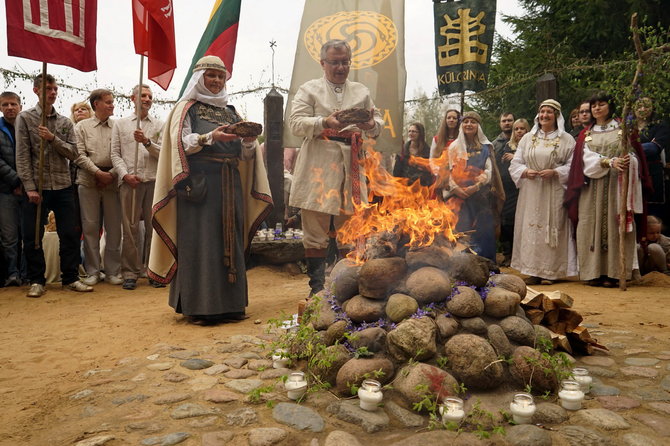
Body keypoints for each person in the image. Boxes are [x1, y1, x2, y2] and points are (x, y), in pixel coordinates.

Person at [149, 55, 272, 325]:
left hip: (230, 185)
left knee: (230, 239)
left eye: (221, 76)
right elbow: (180, 144)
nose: (216, 81)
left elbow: (246, 156)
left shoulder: (231, 111)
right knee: (202, 242)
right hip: (200, 187)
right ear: (199, 78)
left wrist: (249, 142)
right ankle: (200, 307)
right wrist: (209, 137)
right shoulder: (187, 108)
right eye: (211, 76)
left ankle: (232, 305)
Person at [288, 39, 383, 296]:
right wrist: (323, 122)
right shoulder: (309, 90)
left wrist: (369, 125)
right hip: (318, 162)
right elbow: (295, 123)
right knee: (315, 228)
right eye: (334, 62)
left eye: (344, 62)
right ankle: (317, 289)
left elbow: (377, 121)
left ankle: (346, 285)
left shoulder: (361, 91)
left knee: (349, 227)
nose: (340, 67)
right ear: (323, 63)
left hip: (351, 162)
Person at [15, 74, 92, 297]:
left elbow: (73, 153)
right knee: (32, 236)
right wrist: (29, 187)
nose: (53, 92)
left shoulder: (65, 122)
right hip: (37, 187)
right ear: (36, 90)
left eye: (55, 88)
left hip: (63, 185)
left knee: (69, 233)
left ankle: (70, 278)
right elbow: (22, 155)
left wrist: (52, 138)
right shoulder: (26, 118)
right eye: (48, 88)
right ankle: (37, 280)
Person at [565, 92, 652, 287]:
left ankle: (615, 273)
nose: (596, 108)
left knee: (617, 223)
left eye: (601, 104)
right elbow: (584, 159)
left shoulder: (623, 129)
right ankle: (593, 273)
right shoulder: (585, 134)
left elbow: (635, 155)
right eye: (593, 105)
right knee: (590, 224)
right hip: (592, 186)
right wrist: (608, 162)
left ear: (609, 106)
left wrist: (629, 162)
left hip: (617, 184)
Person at [509, 100, 577, 284]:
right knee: (531, 227)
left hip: (553, 189)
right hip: (531, 190)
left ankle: (551, 272)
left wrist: (556, 172)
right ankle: (532, 271)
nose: (545, 115)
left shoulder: (567, 139)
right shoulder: (527, 138)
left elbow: (573, 166)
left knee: (552, 227)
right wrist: (525, 171)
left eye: (549, 112)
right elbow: (515, 163)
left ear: (557, 115)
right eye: (542, 111)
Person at [111, 84, 164, 290]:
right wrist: (125, 175)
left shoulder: (160, 124)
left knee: (154, 228)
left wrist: (147, 142)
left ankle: (154, 270)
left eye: (150, 96)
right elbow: (115, 154)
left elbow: (163, 153)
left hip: (153, 181)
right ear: (132, 98)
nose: (147, 99)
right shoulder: (121, 124)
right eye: (143, 95)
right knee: (130, 228)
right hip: (130, 182)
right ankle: (130, 272)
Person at [74, 89, 122, 286]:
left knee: (113, 229)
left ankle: (112, 271)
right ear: (96, 104)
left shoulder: (118, 126)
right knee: (91, 227)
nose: (112, 105)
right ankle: (93, 271)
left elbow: (123, 152)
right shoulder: (81, 127)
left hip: (113, 182)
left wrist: (110, 174)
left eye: (112, 102)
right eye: (108, 102)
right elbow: (78, 154)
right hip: (88, 182)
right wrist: (97, 173)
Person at [445, 111, 503, 262]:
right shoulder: (454, 147)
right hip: (458, 198)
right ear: (462, 125)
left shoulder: (486, 147)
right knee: (461, 231)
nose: (469, 124)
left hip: (480, 197)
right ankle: (461, 267)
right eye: (466, 121)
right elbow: (448, 170)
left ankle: (487, 266)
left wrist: (476, 186)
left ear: (478, 126)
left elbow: (490, 171)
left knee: (483, 231)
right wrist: (455, 188)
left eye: (473, 122)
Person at [496, 118, 530, 266]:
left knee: (520, 221)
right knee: (506, 222)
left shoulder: (531, 145)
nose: (519, 132)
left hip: (523, 189)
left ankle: (522, 255)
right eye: (516, 129)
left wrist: (515, 156)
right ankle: (509, 253)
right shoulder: (506, 146)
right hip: (507, 189)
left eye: (522, 129)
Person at [0, 91, 23, 286]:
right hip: (5, 190)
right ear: (0, 107)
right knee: (9, 236)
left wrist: (26, 184)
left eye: (13, 104)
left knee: (29, 233)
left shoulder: (28, 127)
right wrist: (16, 182)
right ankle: (12, 274)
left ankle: (27, 273)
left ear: (20, 106)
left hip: (29, 190)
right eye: (5, 104)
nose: (9, 108)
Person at [634, 97, 669, 224]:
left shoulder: (660, 126)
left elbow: (654, 148)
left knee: (653, 212)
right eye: (639, 106)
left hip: (652, 173)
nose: (642, 109)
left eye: (646, 106)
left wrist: (631, 149)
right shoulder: (628, 127)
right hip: (632, 172)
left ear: (652, 108)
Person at [393, 122, 433, 187]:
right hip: (405, 186)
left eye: (414, 131)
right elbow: (397, 170)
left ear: (420, 133)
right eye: (409, 131)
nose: (411, 133)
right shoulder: (402, 150)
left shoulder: (427, 151)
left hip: (421, 186)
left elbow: (428, 172)